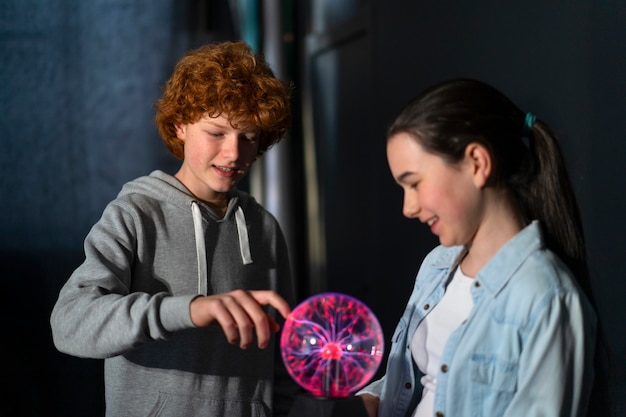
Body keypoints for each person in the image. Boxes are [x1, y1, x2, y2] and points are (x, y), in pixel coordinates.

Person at [50, 40, 299, 416]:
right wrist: (191, 310)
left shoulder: (263, 227)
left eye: (248, 137)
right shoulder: (135, 214)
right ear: (180, 125)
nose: (234, 153)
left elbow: (280, 367)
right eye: (216, 133)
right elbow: (70, 323)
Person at [357, 78, 602, 417]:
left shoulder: (547, 298)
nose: (408, 207)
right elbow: (429, 384)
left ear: (476, 162)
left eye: (414, 184)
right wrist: (369, 402)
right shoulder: (436, 267)